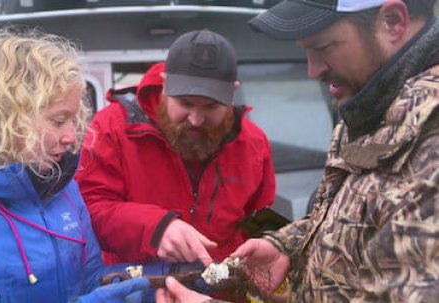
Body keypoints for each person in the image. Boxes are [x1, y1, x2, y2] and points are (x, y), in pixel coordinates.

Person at [156, 0, 439, 302]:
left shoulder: (430, 142)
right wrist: (285, 245)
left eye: (323, 47)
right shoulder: (367, 110)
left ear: (393, 22)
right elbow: (356, 220)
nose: (312, 69)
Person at [0, 26, 153, 303]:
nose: (71, 138)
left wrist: (167, 284)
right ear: (8, 117)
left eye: (74, 120)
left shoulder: (61, 187)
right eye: (58, 121)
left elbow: (91, 281)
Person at [76, 29, 275, 268]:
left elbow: (258, 217)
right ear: (164, 84)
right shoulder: (112, 129)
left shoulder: (253, 143)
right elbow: (88, 208)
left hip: (222, 291)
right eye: (185, 103)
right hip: (138, 289)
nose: (196, 119)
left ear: (232, 92)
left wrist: (273, 245)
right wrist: (155, 228)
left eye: (211, 107)